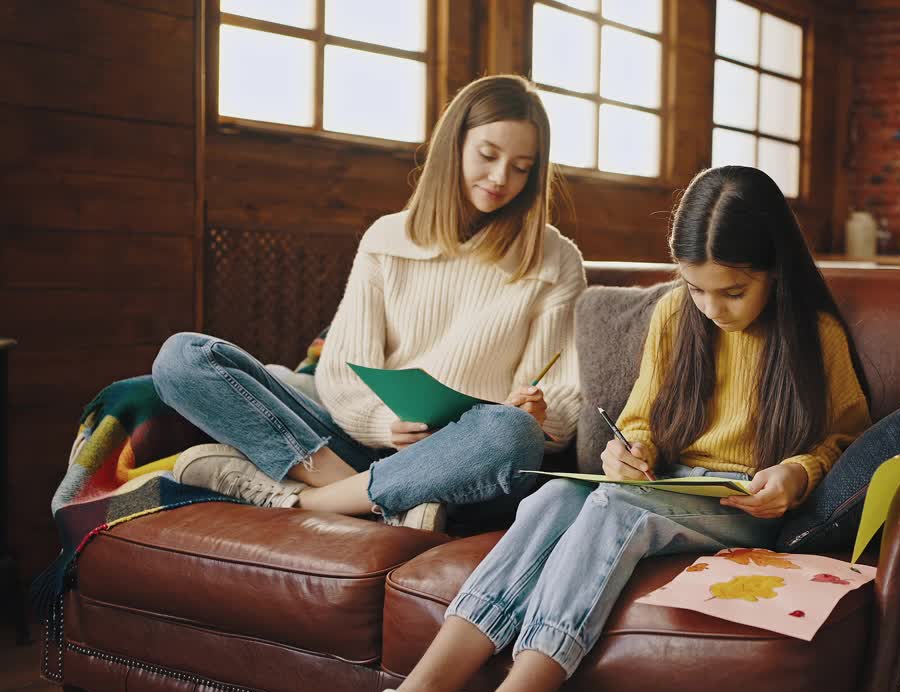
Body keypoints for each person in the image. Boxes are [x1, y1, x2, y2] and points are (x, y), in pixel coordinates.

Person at [343, 165, 872, 692]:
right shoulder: (674, 315)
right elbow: (640, 418)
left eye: (734, 292)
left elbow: (847, 437)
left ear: (776, 270)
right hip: (666, 484)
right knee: (552, 498)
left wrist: (800, 471)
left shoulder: (816, 335)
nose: (713, 309)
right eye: (697, 289)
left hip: (742, 500)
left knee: (614, 508)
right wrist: (629, 450)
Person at [151, 75, 584, 530]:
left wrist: (537, 411)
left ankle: (315, 503)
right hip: (366, 444)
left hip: (466, 462)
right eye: (488, 155)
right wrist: (383, 424)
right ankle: (383, 500)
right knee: (183, 358)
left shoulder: (555, 259)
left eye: (521, 167)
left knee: (510, 432)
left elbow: (559, 394)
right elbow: (339, 374)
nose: (501, 178)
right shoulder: (386, 238)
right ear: (453, 146)